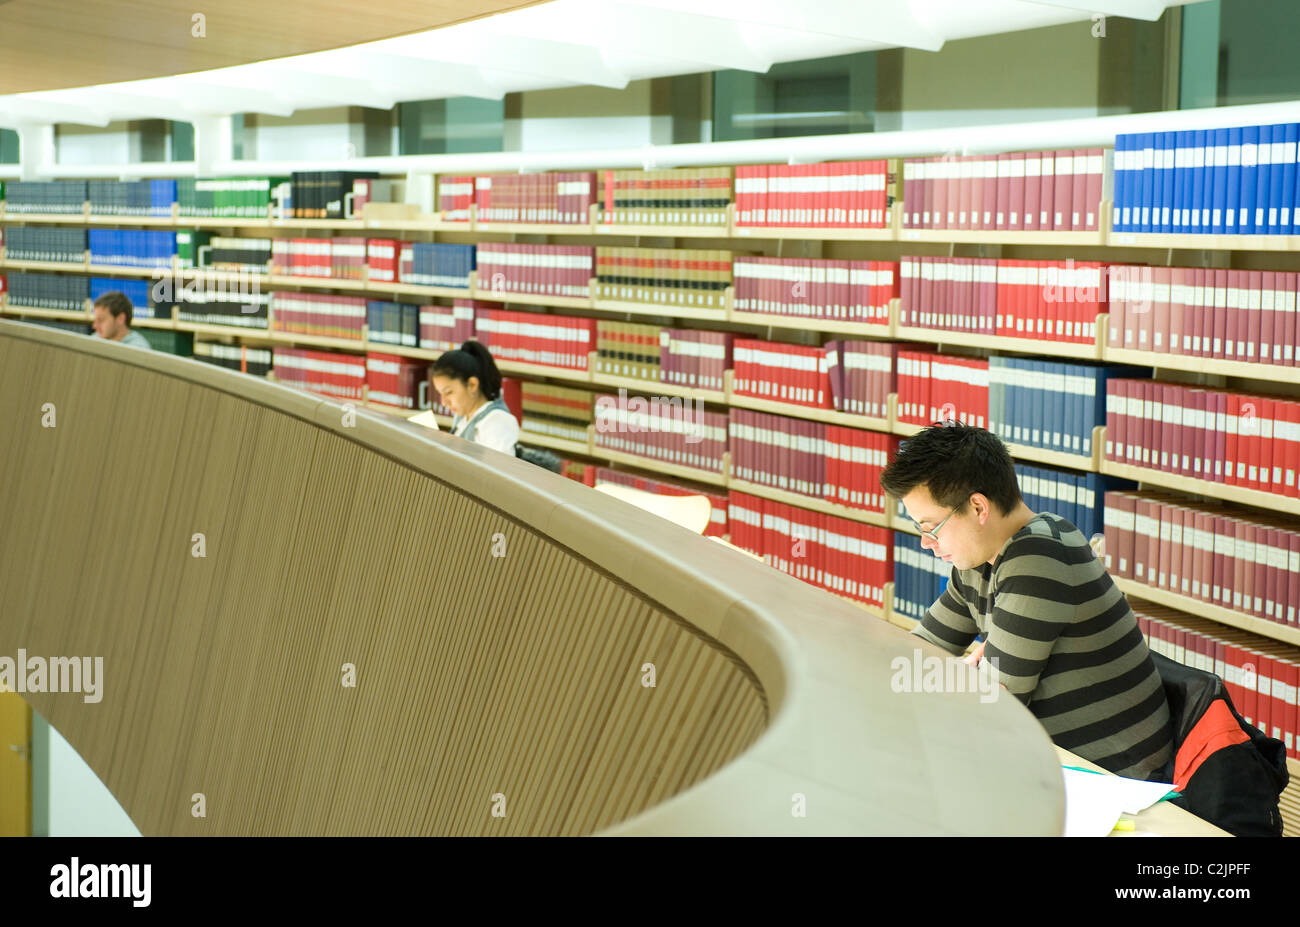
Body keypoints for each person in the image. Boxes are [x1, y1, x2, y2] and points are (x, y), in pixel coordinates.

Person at [879, 421, 1174, 781]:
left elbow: (994, 709)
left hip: (1114, 782)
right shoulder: (979, 560)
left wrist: (953, 681)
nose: (926, 542)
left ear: (977, 508)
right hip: (1046, 764)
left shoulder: (1039, 556)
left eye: (931, 527)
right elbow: (911, 657)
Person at [430, 340, 519, 455]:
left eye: (449, 392)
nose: (443, 402)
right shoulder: (462, 416)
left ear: (472, 385)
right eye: (440, 393)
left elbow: (499, 471)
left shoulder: (497, 422)